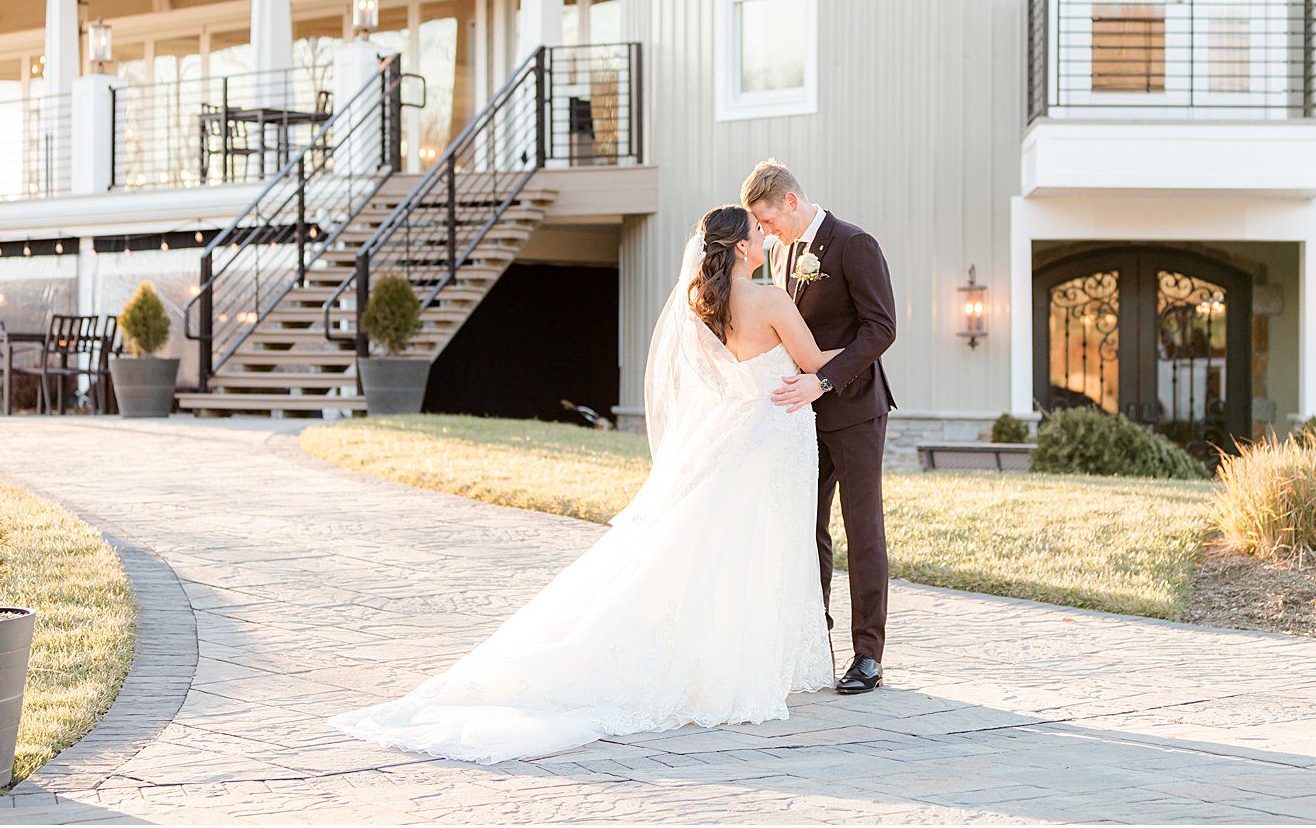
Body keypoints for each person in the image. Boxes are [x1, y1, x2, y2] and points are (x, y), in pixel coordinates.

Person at [330, 205, 840, 764]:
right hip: (767, 438)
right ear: (741, 248)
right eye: (758, 231)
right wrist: (868, 342)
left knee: (714, 546)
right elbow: (814, 359)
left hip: (732, 431)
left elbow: (721, 381)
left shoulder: (704, 305)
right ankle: (739, 664)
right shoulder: (768, 298)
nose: (766, 236)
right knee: (755, 547)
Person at [741, 159, 897, 695]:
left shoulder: (854, 244)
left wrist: (823, 381)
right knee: (807, 528)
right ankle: (816, 639)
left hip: (853, 409)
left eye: (767, 219)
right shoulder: (776, 255)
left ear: (789, 200)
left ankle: (868, 655)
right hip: (797, 417)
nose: (766, 231)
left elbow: (881, 330)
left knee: (862, 528)